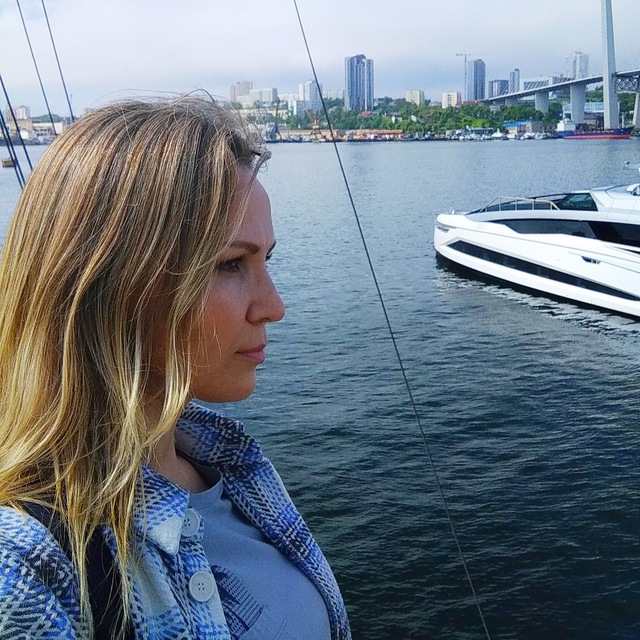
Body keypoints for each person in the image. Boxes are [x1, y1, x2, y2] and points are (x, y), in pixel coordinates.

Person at [0, 95, 351, 640]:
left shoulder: (227, 464)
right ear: (110, 287)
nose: (274, 306)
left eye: (267, 260)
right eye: (230, 264)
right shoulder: (27, 568)